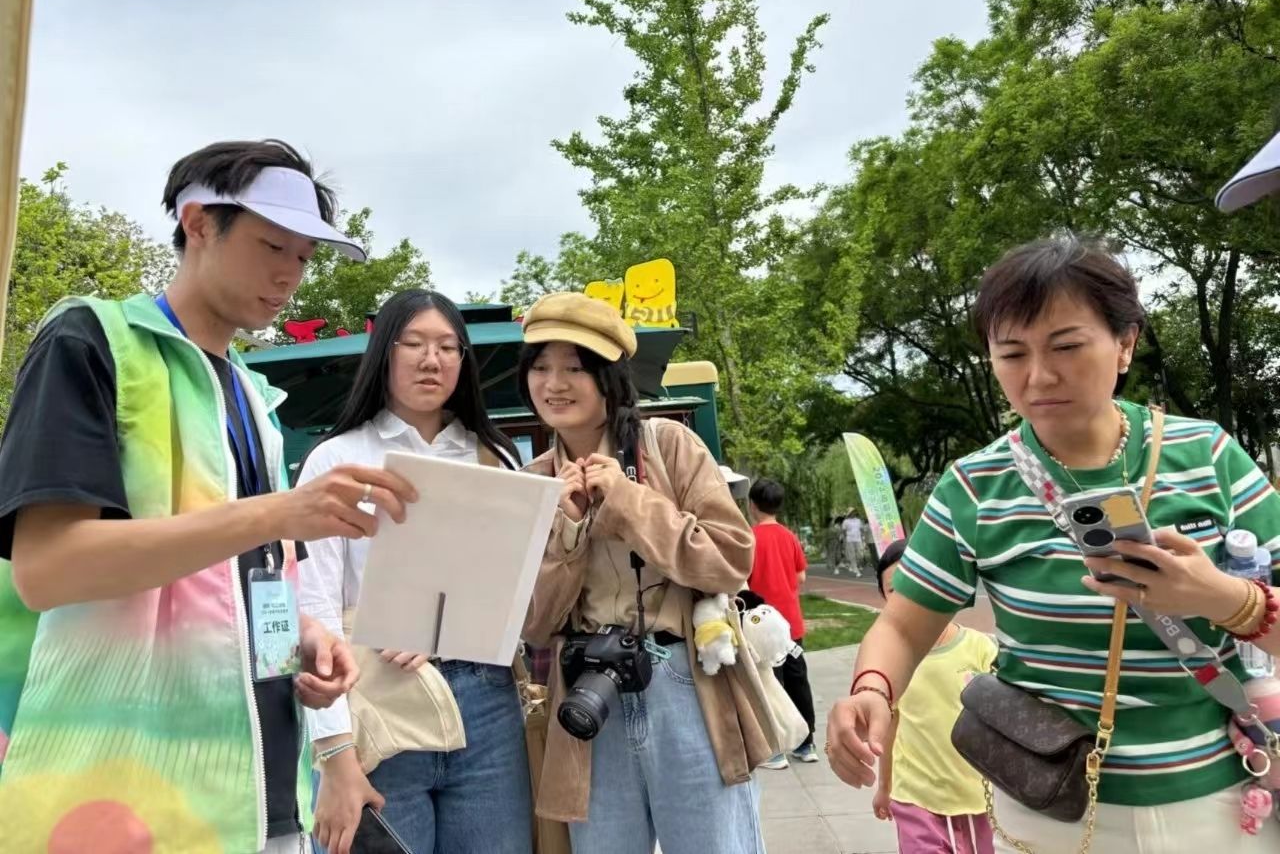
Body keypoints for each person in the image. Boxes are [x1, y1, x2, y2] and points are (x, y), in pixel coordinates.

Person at [0, 140, 417, 854]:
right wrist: (277, 512)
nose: (289, 274)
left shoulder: (256, 395)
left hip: (265, 801)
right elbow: (45, 568)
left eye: (305, 257)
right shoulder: (92, 339)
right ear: (197, 223)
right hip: (120, 806)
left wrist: (304, 650)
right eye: (271, 245)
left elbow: (252, 585)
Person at [827, 236, 1280, 851]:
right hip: (1051, 807)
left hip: (1217, 804)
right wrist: (870, 691)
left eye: (1066, 346)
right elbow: (905, 627)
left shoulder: (1209, 457)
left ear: (1125, 343)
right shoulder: (974, 486)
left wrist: (1225, 598)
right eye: (1011, 354)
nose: (1038, 376)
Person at [517, 292, 769, 854]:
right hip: (587, 694)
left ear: (610, 379)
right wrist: (571, 529)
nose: (553, 383)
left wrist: (629, 501)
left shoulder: (670, 446)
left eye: (574, 368)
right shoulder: (535, 482)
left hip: (684, 677)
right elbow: (534, 623)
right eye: (540, 367)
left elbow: (731, 559)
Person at [297, 289, 531, 854]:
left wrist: (448, 627)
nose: (433, 359)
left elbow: (517, 591)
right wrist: (334, 752)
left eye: (449, 347)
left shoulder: (494, 458)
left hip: (486, 706)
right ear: (385, 353)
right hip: (381, 702)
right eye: (416, 343)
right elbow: (317, 608)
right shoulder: (337, 460)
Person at [871, 539, 996, 854]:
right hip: (915, 797)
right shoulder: (892, 660)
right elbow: (889, 726)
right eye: (893, 591)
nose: (907, 599)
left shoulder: (981, 649)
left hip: (977, 799)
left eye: (915, 585)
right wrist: (884, 787)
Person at [746, 477, 818, 769]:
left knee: (768, 684)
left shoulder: (749, 538)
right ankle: (805, 743)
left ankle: (775, 749)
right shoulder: (789, 536)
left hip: (760, 627)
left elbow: (744, 580)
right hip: (790, 623)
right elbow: (801, 576)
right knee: (797, 679)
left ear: (752, 505)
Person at [842, 510, 867, 576]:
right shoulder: (846, 521)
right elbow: (844, 531)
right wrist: (846, 538)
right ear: (849, 513)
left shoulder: (858, 520)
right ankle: (856, 570)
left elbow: (861, 529)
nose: (853, 513)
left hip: (858, 539)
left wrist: (863, 536)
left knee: (860, 554)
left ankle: (856, 566)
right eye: (851, 512)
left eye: (854, 512)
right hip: (850, 540)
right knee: (852, 555)